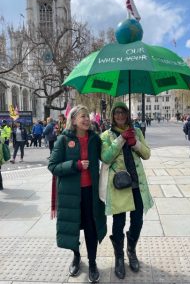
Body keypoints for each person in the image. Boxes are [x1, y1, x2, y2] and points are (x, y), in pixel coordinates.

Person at [48, 105, 107, 283]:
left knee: (91, 227)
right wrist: (76, 165)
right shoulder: (63, 140)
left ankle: (93, 262)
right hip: (71, 194)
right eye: (82, 116)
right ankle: (76, 257)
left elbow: (107, 156)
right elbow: (53, 166)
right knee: (73, 226)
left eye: (87, 116)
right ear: (73, 120)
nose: (87, 119)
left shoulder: (95, 139)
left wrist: (121, 139)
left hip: (91, 192)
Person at [100, 102, 154, 279]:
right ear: (112, 115)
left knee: (137, 221)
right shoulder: (106, 135)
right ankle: (119, 257)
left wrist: (135, 142)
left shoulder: (136, 131)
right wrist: (121, 138)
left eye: (123, 112)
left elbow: (146, 154)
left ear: (128, 114)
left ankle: (131, 250)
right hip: (119, 186)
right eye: (117, 113)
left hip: (137, 184)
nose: (120, 116)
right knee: (118, 223)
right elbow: (106, 157)